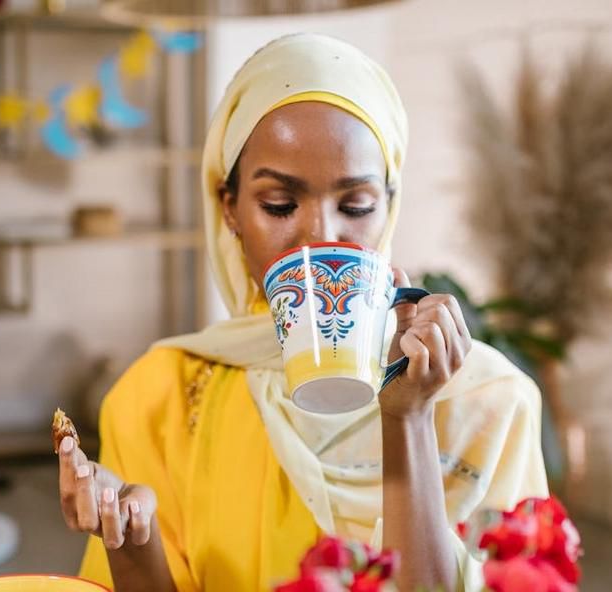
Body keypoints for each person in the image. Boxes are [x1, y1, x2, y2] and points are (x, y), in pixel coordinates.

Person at [58, 33, 548, 591]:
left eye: (356, 206)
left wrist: (407, 418)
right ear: (230, 209)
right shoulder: (159, 399)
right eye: (280, 205)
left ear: (388, 211)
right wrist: (134, 539)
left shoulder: (489, 403)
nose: (320, 236)